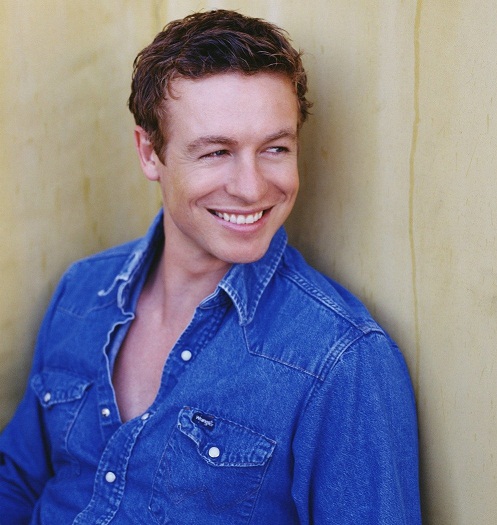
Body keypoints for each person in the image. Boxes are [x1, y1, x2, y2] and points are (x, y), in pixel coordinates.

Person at [0, 9, 421, 524]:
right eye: (217, 152)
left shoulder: (342, 359)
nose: (251, 187)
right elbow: (17, 481)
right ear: (149, 152)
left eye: (275, 148)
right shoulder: (81, 291)